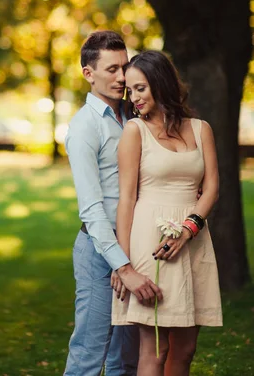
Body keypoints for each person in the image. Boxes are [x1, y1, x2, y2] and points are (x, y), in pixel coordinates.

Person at [112, 50, 222, 376]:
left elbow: (213, 186)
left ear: (160, 84)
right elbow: (126, 199)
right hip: (151, 244)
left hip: (194, 241)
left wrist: (189, 229)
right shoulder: (134, 131)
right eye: (130, 91)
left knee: (186, 348)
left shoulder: (201, 129)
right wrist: (123, 263)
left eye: (140, 88)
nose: (134, 98)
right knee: (155, 348)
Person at [64, 31, 163, 376]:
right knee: (89, 356)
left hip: (138, 245)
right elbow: (91, 210)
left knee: (127, 362)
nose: (122, 77)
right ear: (88, 74)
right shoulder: (84, 128)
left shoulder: (136, 117)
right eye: (111, 69)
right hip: (99, 252)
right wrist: (122, 268)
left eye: (125, 67)